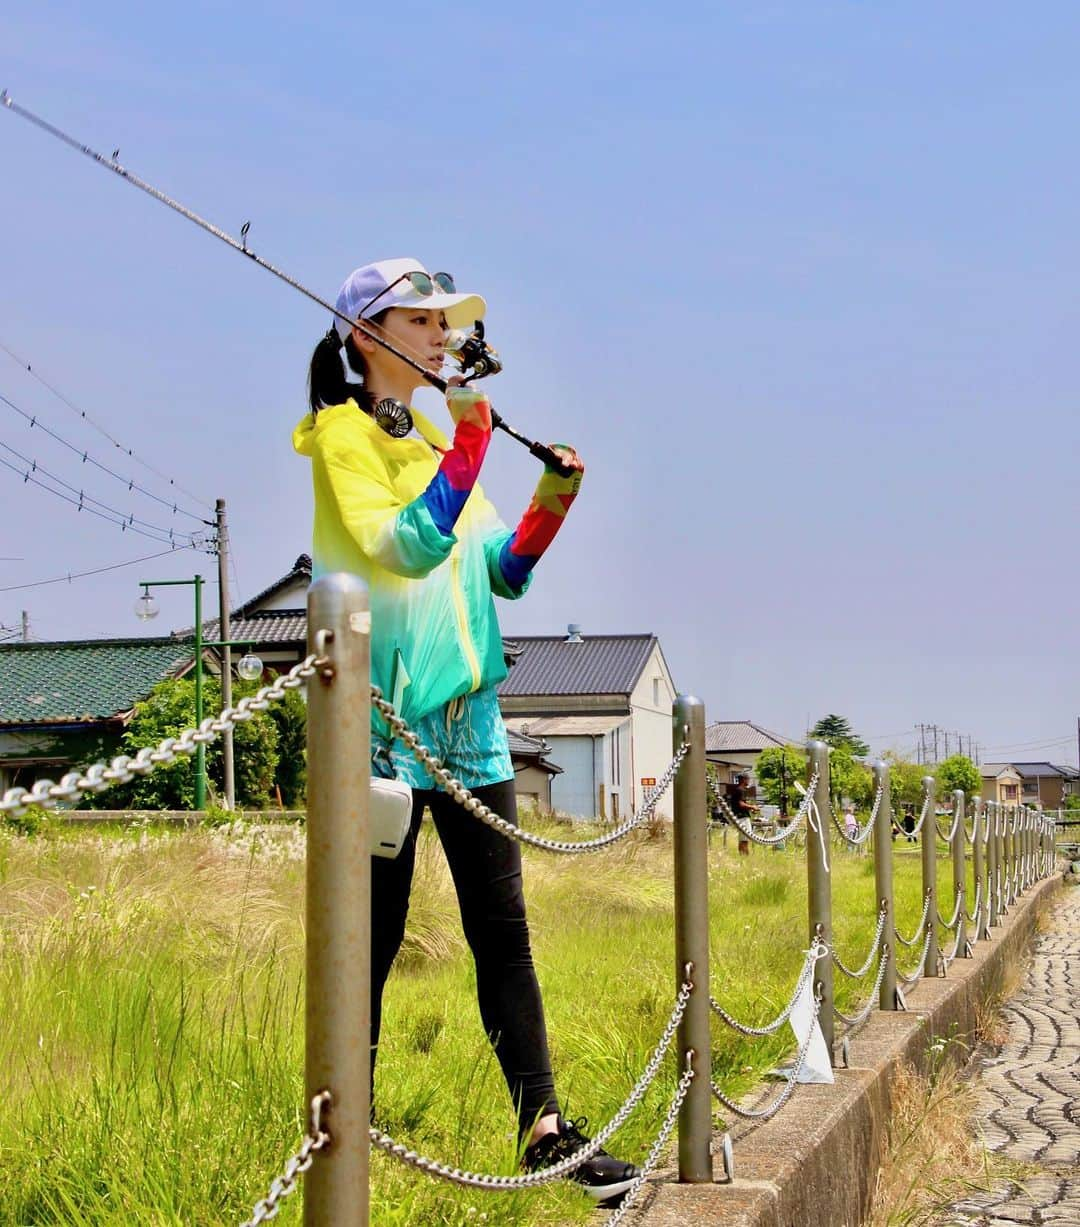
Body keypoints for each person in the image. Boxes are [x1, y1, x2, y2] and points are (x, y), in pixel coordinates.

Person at [293, 258, 638, 1205]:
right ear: (369, 335)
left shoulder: (444, 438)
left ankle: (547, 1129)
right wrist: (470, 452)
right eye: (425, 319)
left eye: (450, 322)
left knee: (504, 934)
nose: (446, 335)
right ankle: (339, 1131)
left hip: (473, 728)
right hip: (382, 733)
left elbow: (501, 570)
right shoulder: (340, 437)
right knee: (374, 931)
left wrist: (553, 500)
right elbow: (402, 543)